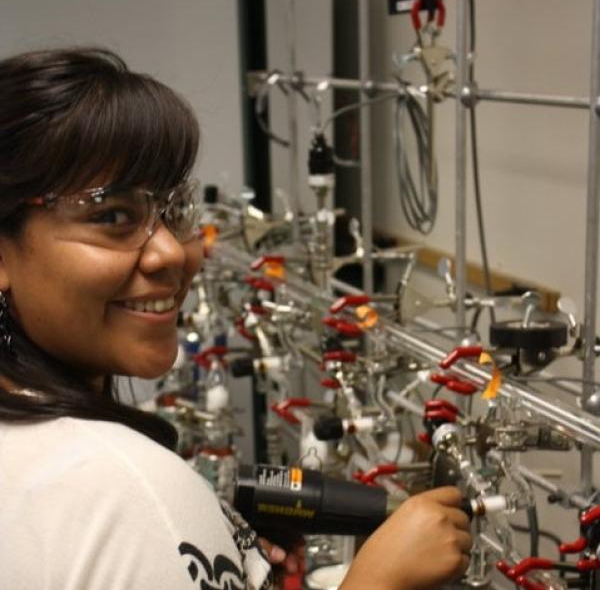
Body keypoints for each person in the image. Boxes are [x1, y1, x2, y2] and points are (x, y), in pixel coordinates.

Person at [0, 46, 472, 590]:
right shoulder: (123, 489)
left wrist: (227, 547)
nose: (171, 253)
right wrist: (376, 581)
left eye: (174, 210)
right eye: (111, 216)